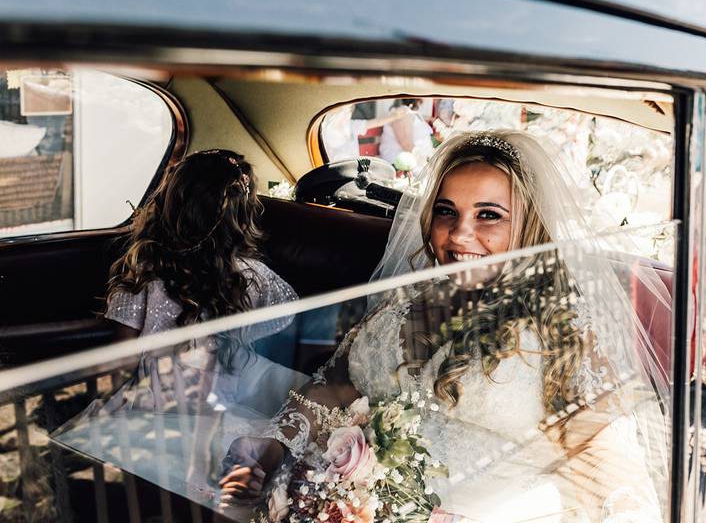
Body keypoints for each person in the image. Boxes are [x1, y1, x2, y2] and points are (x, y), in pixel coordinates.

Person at [219, 131, 670, 522]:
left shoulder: (560, 326)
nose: (458, 235)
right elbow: (336, 387)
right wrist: (275, 444)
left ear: (528, 226)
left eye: (489, 215)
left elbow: (602, 455)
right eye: (446, 211)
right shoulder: (403, 302)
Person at [55, 150, 307, 511]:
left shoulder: (144, 274)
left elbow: (119, 366)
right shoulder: (255, 279)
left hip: (150, 410)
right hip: (219, 412)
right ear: (242, 215)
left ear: (170, 204)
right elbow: (287, 328)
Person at [105, 149, 298, 337]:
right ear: (243, 219)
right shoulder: (255, 276)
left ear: (167, 208)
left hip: (160, 370)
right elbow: (299, 330)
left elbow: (122, 363)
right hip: (235, 369)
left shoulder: (145, 276)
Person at [378, 97, 435, 166]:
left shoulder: (409, 112)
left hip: (415, 161)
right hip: (403, 165)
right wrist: (427, 163)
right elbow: (407, 145)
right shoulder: (402, 112)